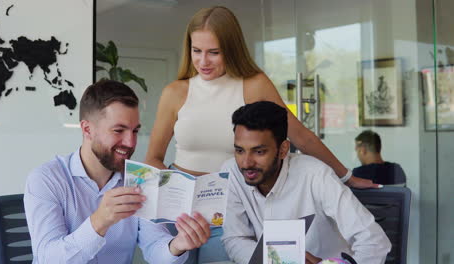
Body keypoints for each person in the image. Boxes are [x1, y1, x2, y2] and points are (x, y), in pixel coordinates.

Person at [144, 6, 378, 263]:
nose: (203, 61)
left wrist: (346, 176)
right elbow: (153, 157)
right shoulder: (175, 92)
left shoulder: (254, 85)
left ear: (231, 49)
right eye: (196, 51)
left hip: (228, 211)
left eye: (214, 52)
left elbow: (300, 135)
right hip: (180, 211)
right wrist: (175, 191)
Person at [24, 80, 211, 264]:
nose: (130, 142)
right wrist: (99, 221)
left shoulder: (140, 179)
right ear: (87, 129)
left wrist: (177, 245)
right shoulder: (46, 179)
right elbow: (48, 258)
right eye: (119, 130)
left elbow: (155, 246)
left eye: (135, 131)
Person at [220, 101, 391, 264]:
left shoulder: (315, 175)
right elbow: (235, 239)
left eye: (259, 152)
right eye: (239, 150)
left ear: (283, 150)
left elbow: (375, 241)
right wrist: (279, 258)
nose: (246, 163)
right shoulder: (231, 173)